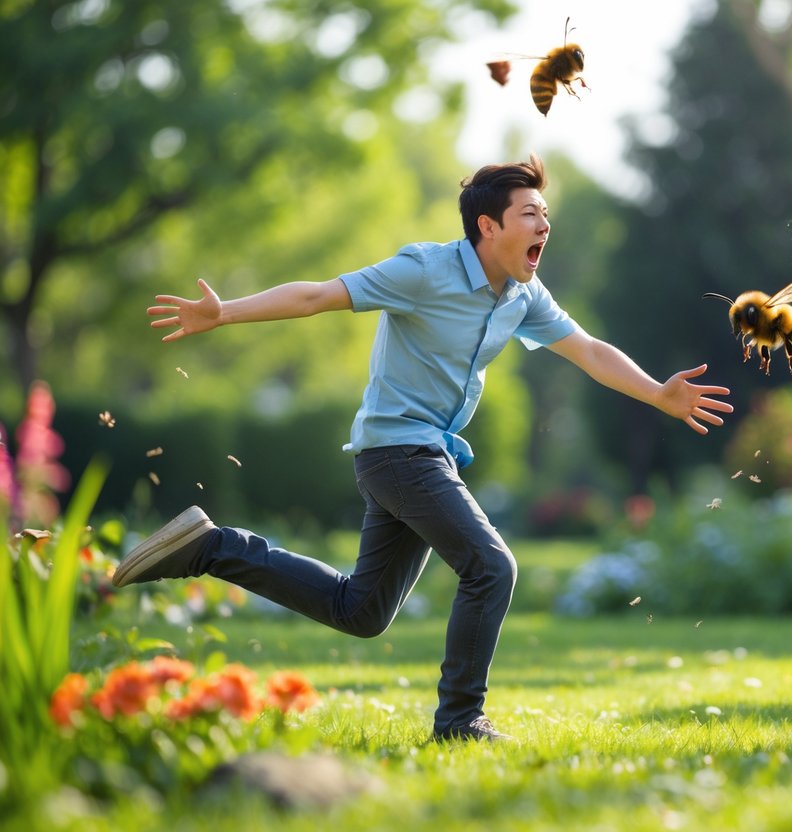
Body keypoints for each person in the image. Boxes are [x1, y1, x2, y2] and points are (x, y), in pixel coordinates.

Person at [113, 154, 733, 743]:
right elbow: (317, 296)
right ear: (488, 226)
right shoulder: (424, 270)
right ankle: (460, 720)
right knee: (492, 567)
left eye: (546, 214)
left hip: (422, 455)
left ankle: (213, 548)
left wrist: (657, 393)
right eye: (529, 213)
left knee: (360, 611)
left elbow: (590, 350)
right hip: (396, 452)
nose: (544, 224)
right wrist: (225, 314)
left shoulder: (522, 295)